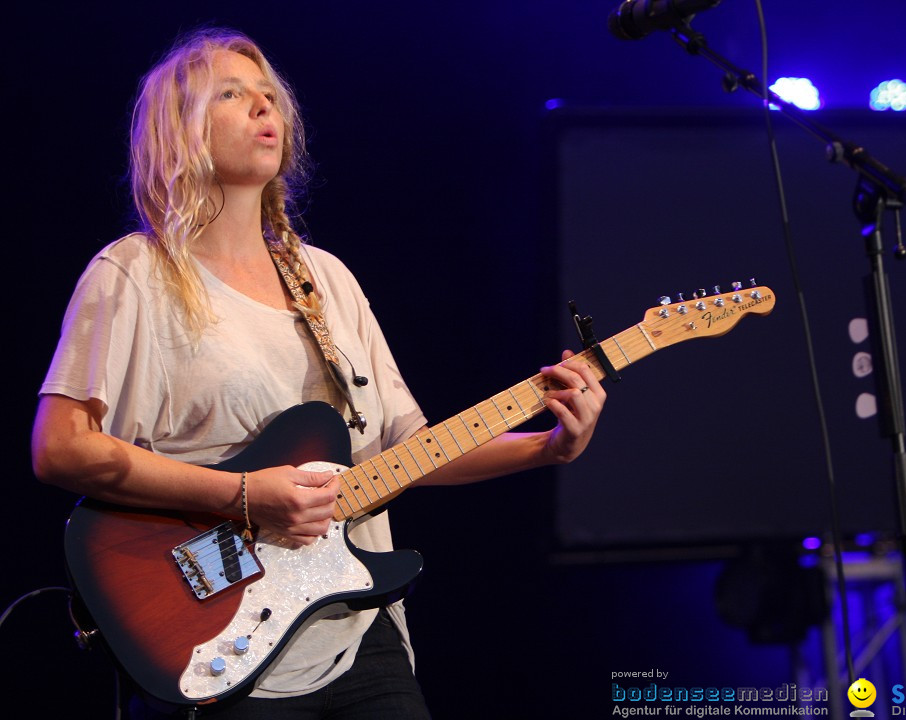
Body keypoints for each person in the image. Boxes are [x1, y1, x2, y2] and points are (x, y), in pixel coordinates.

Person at [30, 28, 605, 719]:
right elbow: (61, 447)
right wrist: (247, 493)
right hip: (219, 641)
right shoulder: (136, 275)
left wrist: (548, 446)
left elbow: (406, 447)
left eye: (269, 95)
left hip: (356, 630)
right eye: (233, 93)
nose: (263, 108)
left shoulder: (325, 278)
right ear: (179, 131)